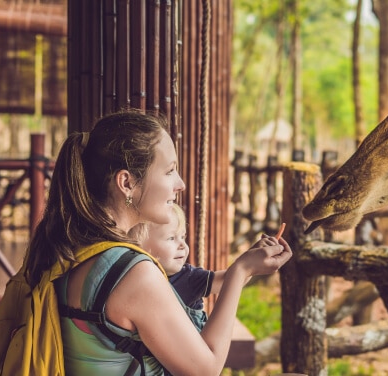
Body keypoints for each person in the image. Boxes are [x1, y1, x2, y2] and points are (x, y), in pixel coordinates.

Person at [22, 110, 293, 375]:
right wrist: (241, 271)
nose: (181, 184)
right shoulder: (132, 274)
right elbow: (205, 369)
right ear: (126, 183)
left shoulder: (72, 247)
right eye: (169, 171)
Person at [134, 203, 223, 332]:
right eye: (171, 238)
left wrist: (246, 266)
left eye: (183, 237)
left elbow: (227, 280)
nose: (182, 245)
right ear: (139, 245)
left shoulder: (189, 277)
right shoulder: (135, 280)